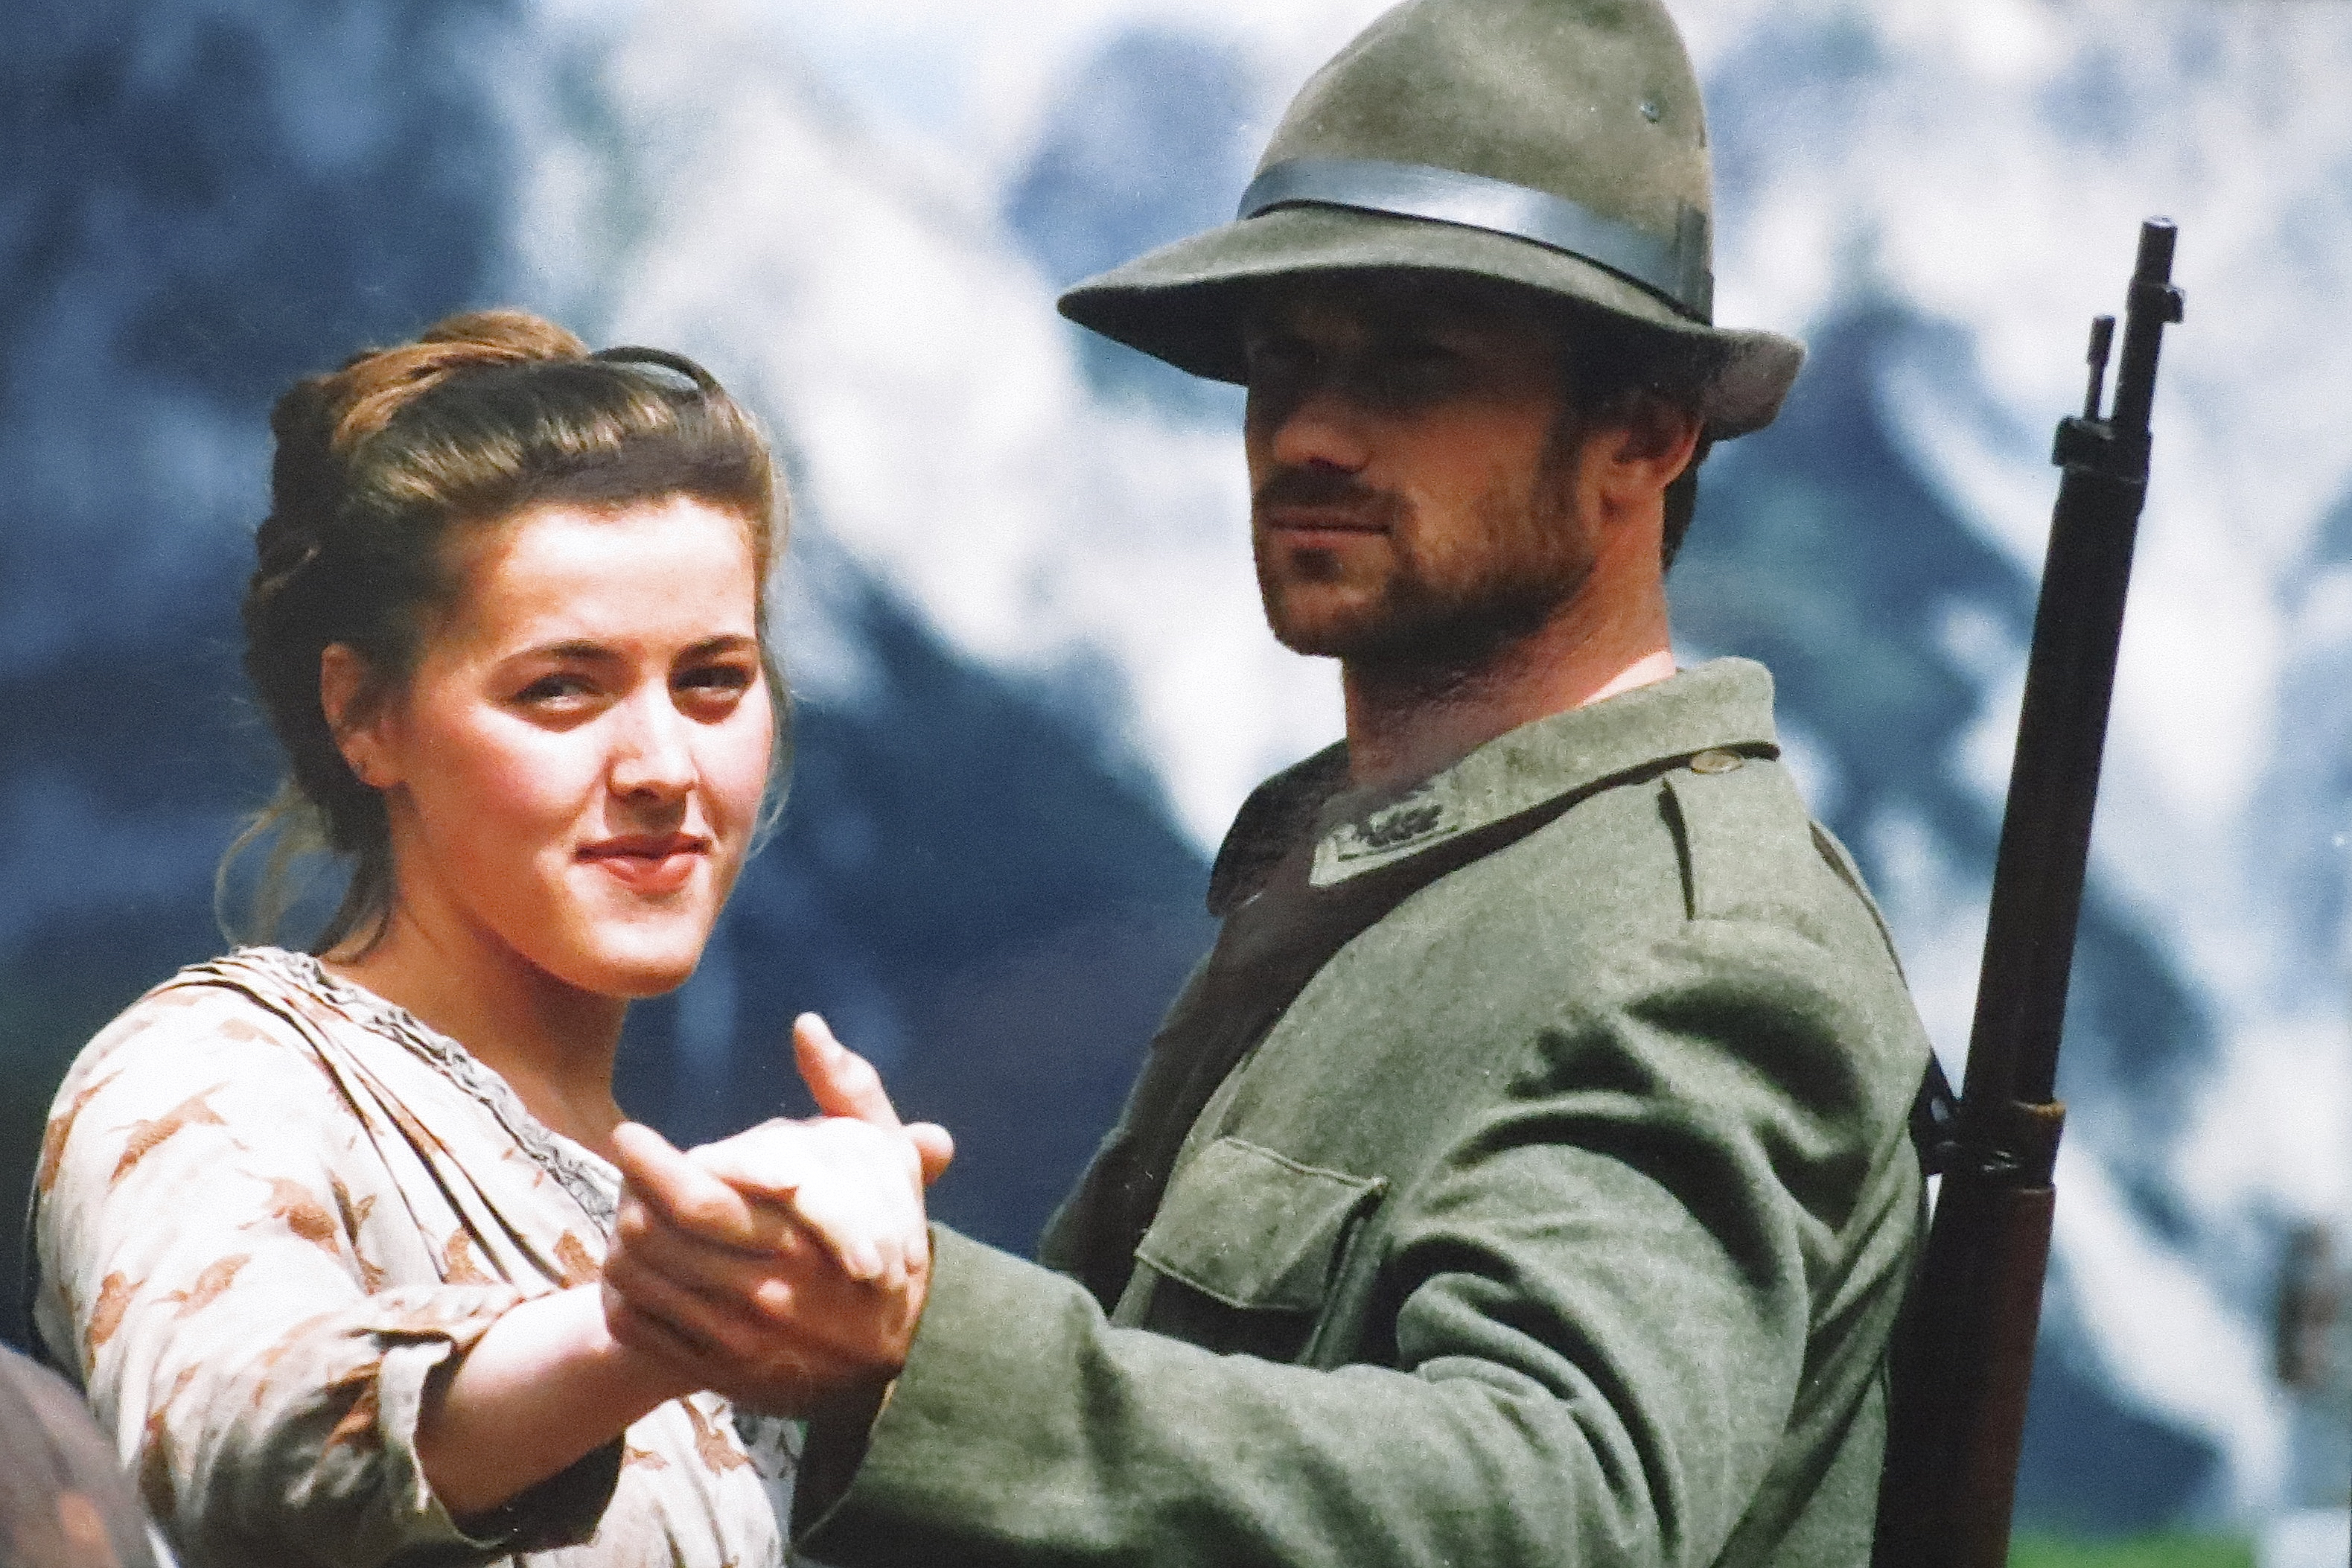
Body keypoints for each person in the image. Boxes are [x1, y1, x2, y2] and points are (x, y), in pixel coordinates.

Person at [599, 0, 1934, 1564]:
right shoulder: (1408, 871)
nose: (1310, 431)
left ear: (1641, 437)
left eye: (1414, 364)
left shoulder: (1694, 945)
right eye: (1281, 361)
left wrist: (921, 1347)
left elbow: (1559, 1503)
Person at [28, 308, 942, 1568]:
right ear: (366, 714)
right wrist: (645, 1332)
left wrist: (878, 1370)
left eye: (713, 679)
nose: (664, 766)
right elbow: (237, 1438)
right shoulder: (217, 1069)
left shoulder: (674, 1218)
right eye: (560, 686)